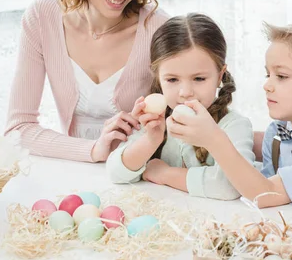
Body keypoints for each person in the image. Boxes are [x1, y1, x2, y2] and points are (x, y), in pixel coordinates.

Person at [5, 0, 169, 163]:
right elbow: (18, 129)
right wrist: (93, 150)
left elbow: (184, 121)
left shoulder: (157, 28)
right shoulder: (42, 19)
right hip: (73, 171)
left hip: (141, 177)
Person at [169, 21, 292, 223]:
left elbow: (264, 194)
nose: (267, 85)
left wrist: (214, 139)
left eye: (282, 76)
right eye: (268, 74)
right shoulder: (276, 132)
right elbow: (265, 200)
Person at [106, 13, 255, 200]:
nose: (185, 92)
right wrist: (151, 140)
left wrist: (165, 174)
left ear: (219, 75)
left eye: (199, 78)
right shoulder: (154, 120)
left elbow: (232, 186)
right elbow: (115, 173)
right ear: (158, 78)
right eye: (172, 79)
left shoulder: (234, 125)